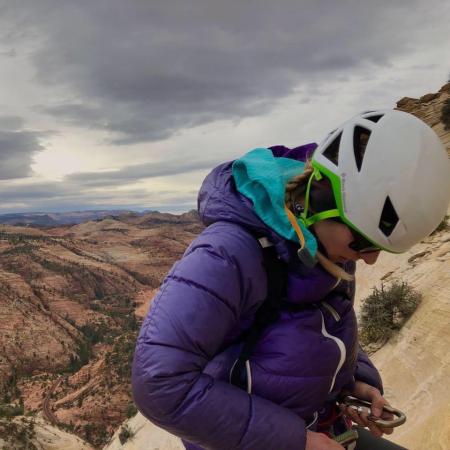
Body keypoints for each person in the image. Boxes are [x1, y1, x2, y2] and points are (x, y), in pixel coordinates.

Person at [131, 110, 450, 450]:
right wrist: (295, 440)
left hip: (324, 428)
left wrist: (356, 384)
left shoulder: (328, 244)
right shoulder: (227, 254)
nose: (369, 258)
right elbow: (158, 384)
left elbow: (323, 328)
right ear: (325, 200)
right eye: (364, 241)